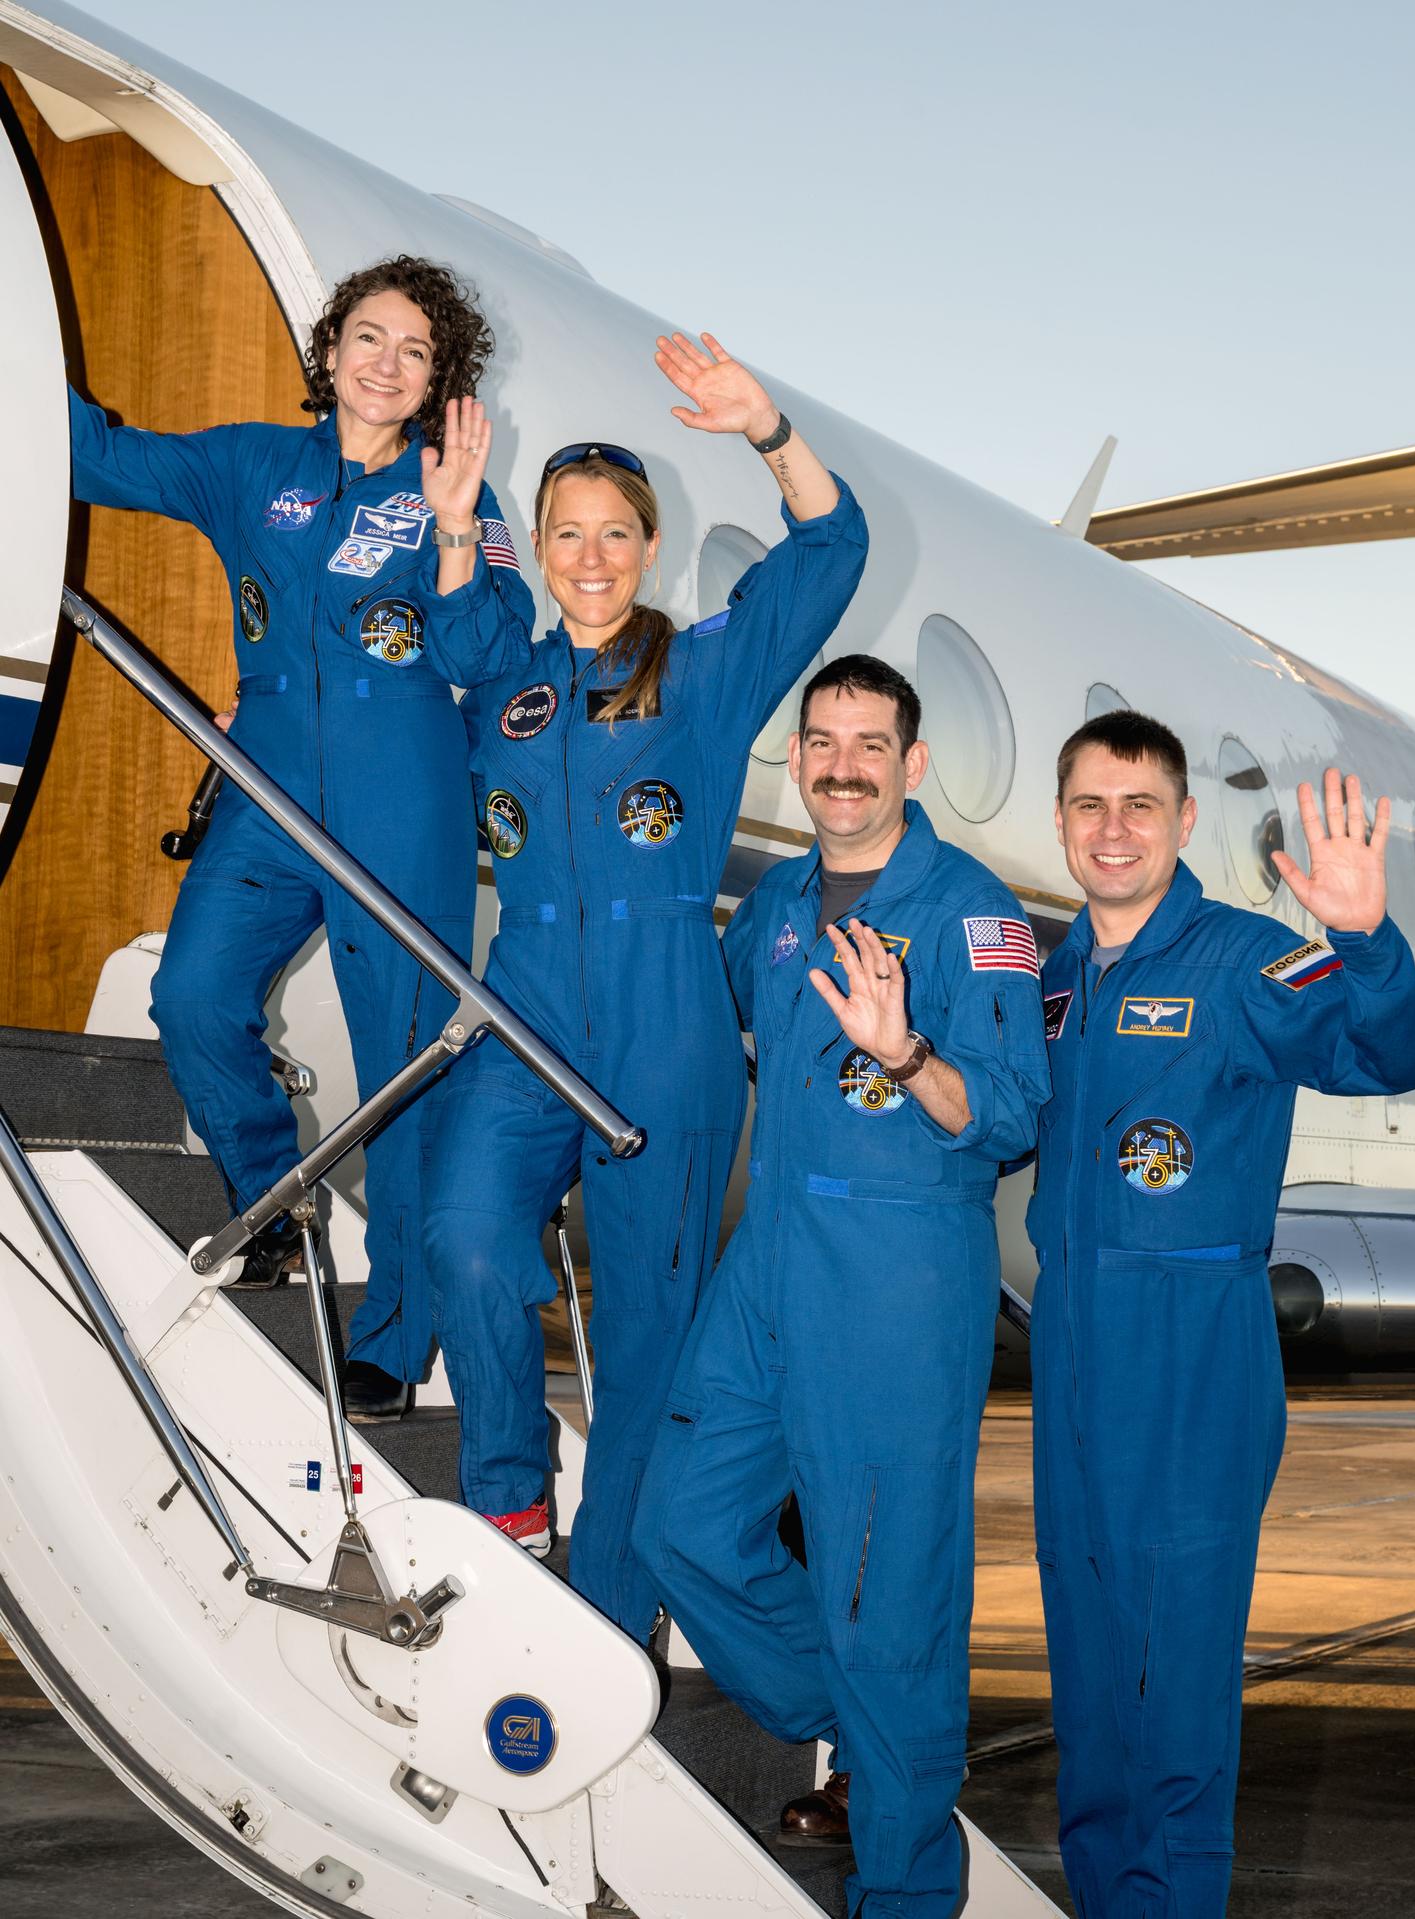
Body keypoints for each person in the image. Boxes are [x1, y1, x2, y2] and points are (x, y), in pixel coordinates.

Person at [421, 332, 868, 1635]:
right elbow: (446, 641)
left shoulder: (704, 668)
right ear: (543, 545)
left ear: (648, 545)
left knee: (646, 1335)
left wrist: (767, 428)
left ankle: (613, 1619)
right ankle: (509, 1502)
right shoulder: (504, 676)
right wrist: (458, 530)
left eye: (616, 533)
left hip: (665, 1017)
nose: (592, 556)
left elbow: (827, 556)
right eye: (566, 531)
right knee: (467, 1231)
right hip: (524, 1007)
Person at [68, 256, 536, 1417]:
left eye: (415, 351)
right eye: (368, 338)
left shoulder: (457, 494)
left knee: (405, 1061)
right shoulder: (252, 465)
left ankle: (397, 1331)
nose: (386, 363)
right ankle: (271, 1198)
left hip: (405, 786)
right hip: (266, 774)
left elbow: (495, 660)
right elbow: (98, 458)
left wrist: (459, 529)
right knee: (191, 994)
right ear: (329, 352)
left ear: (439, 382)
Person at [633, 656, 1050, 1918]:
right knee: (682, 1525)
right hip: (772, 1263)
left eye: (871, 741)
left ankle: (906, 1882)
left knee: (890, 1591)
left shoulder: (979, 915)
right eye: (821, 739)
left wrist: (908, 1050)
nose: (843, 762)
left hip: (899, 1272)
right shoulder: (771, 911)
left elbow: (1014, 1112)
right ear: (798, 757)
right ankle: (868, 1727)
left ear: (912, 765)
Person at [1028, 709, 1415, 1917]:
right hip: (1071, 1343)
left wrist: (1364, 937)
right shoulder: (1051, 979)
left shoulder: (1245, 960)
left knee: (1174, 1684)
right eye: (1091, 806)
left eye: (1139, 806)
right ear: (1062, 821)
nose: (1114, 831)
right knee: (1093, 1678)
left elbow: (1394, 1052)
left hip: (1191, 1342)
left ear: (1181, 821)